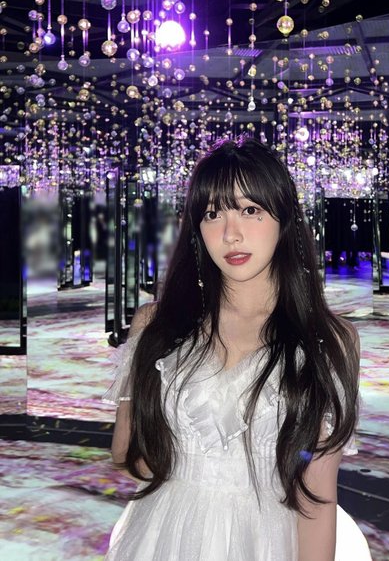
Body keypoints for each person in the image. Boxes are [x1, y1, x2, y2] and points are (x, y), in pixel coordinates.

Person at [103, 137, 372, 561]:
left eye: (250, 210)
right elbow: (127, 453)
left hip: (269, 541)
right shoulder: (156, 325)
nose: (231, 234)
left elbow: (317, 496)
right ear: (196, 230)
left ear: (283, 218)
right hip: (167, 534)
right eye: (213, 214)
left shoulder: (330, 340)